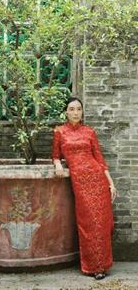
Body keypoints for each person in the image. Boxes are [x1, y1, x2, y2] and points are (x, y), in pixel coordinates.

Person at [52, 97, 117, 280]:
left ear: (82, 112)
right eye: (71, 109)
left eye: (78, 109)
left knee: (101, 225)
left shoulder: (89, 132)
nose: (75, 112)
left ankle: (101, 267)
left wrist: (110, 182)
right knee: (87, 223)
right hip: (80, 183)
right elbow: (56, 155)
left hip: (97, 180)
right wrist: (58, 166)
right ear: (66, 111)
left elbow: (100, 159)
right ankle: (91, 265)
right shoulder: (60, 132)